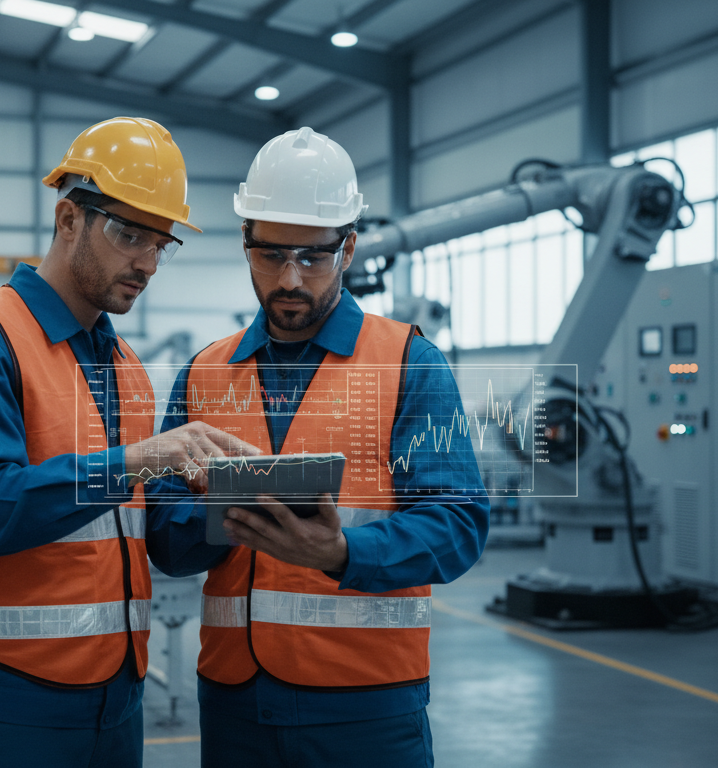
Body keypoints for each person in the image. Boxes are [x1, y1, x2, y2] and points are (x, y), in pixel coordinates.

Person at [0, 117, 259, 768]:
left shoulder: (124, 368)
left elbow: (153, 542)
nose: (148, 264)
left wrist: (236, 507)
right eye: (130, 234)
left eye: (162, 243)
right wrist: (139, 460)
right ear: (68, 219)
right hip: (3, 700)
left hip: (115, 696)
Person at [147, 127, 490, 768]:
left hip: (365, 704)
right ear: (245, 242)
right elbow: (164, 539)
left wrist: (341, 551)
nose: (289, 279)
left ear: (349, 248)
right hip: (233, 700)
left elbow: (458, 523)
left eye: (313, 257)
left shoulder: (410, 363)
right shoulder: (203, 373)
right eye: (270, 255)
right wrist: (223, 518)